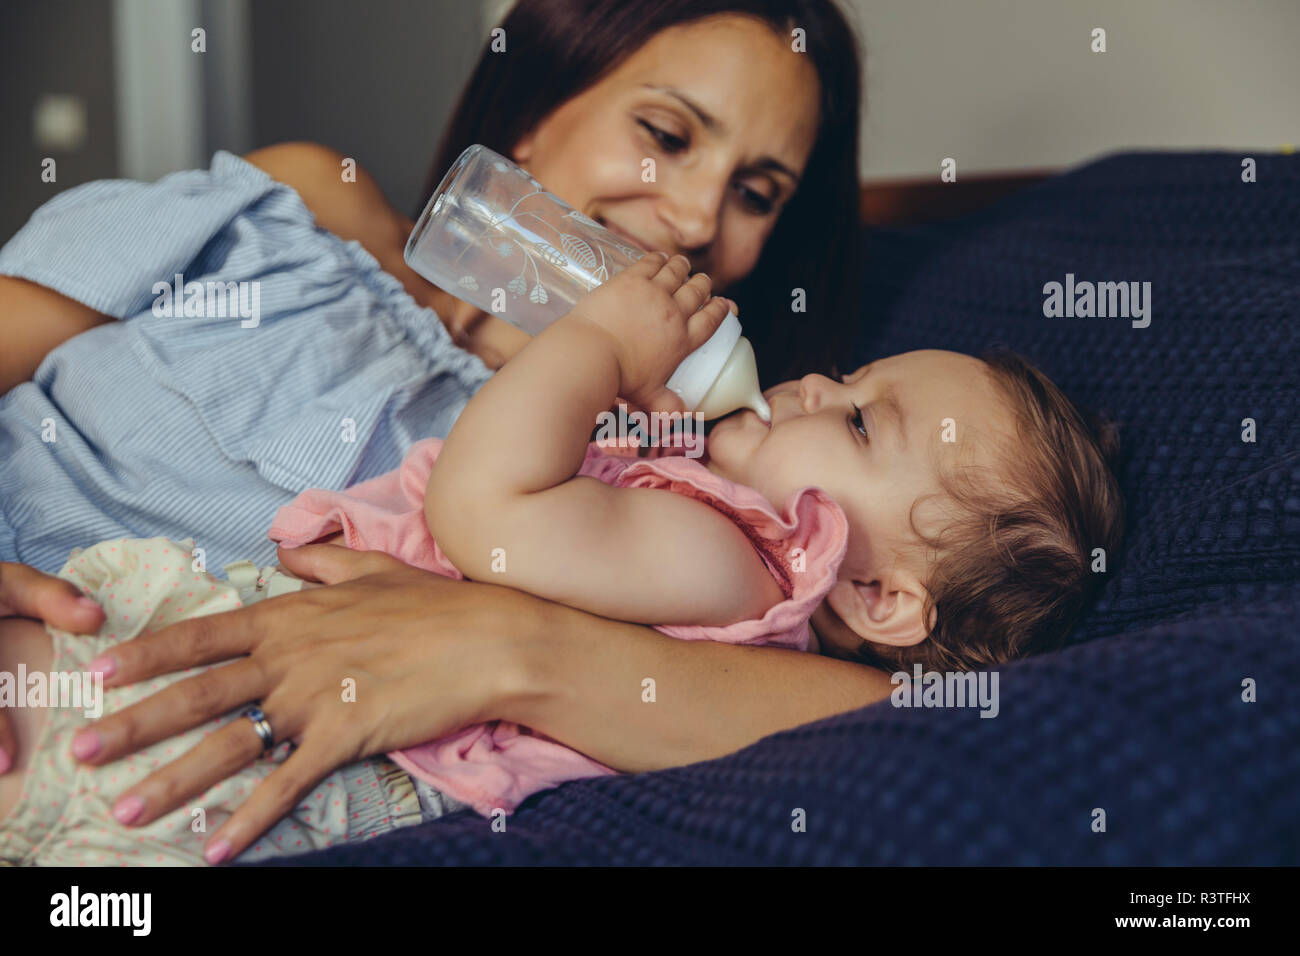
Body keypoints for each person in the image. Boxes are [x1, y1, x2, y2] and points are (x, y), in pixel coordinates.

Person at [0, 1, 904, 864]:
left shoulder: (649, 476)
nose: (701, 219)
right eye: (666, 136)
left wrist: (510, 649)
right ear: (538, 106)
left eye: (755, 192)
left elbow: (885, 712)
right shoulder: (302, 211)